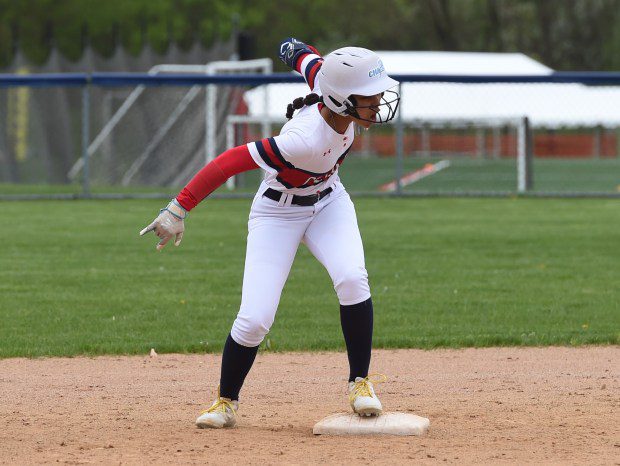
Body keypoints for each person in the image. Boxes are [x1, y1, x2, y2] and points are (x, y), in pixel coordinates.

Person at [140, 37, 400, 429]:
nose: (377, 102)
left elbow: (310, 62)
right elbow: (229, 161)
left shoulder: (329, 89)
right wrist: (178, 208)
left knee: (352, 277)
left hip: (329, 200)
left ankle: (360, 383)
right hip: (277, 213)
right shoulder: (303, 140)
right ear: (341, 99)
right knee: (255, 319)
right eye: (368, 97)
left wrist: (292, 49)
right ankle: (226, 402)